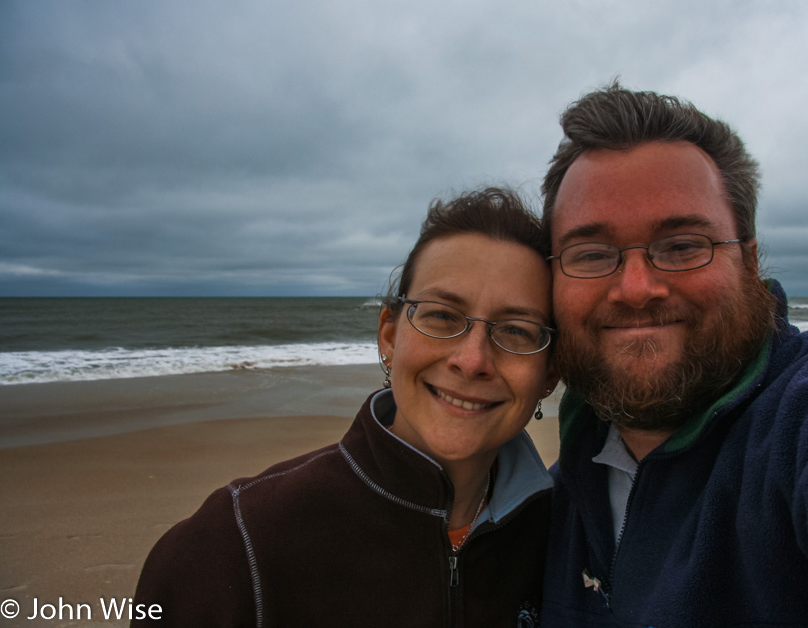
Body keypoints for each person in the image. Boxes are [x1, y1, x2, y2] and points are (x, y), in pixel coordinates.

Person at [539, 83, 808, 626]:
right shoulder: (554, 497)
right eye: (591, 254)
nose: (636, 287)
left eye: (683, 246)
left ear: (749, 262)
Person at [132, 187, 560, 626]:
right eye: (442, 316)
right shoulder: (234, 543)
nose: (471, 361)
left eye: (515, 331)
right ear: (390, 337)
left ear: (549, 375)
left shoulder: (565, 538)